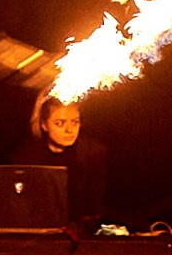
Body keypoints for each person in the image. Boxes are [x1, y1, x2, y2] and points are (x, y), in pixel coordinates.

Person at [10, 96, 109, 232]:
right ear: (44, 125)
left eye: (75, 122)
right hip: (36, 233)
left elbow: (96, 206)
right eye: (60, 123)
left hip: (83, 235)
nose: (70, 130)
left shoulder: (91, 154)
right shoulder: (26, 157)